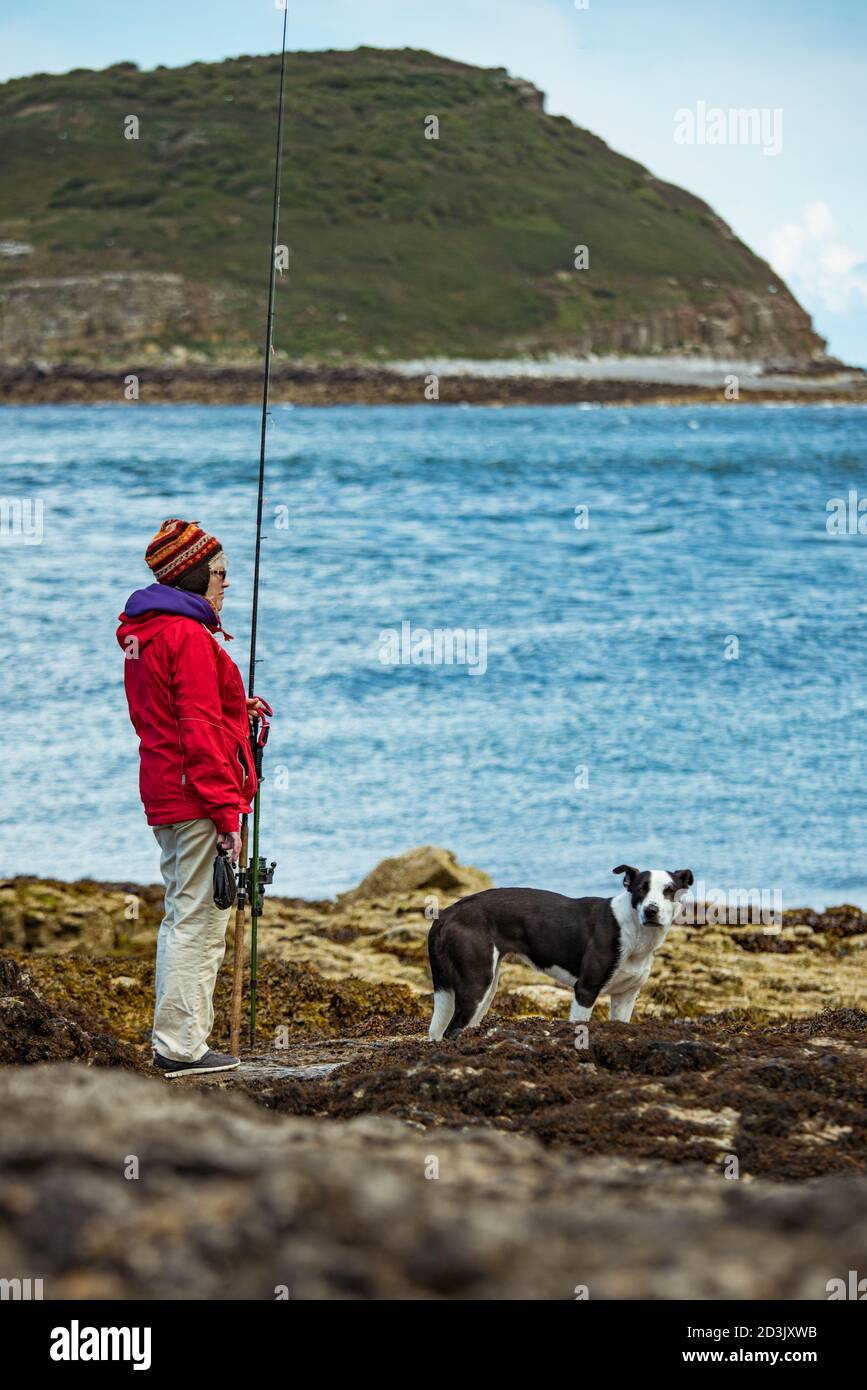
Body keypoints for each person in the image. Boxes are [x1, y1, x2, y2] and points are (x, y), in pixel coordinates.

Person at [116, 519, 267, 1079]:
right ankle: (180, 1048)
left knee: (184, 912)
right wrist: (227, 814)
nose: (226, 583)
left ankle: (178, 1042)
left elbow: (171, 714)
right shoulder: (187, 636)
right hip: (196, 798)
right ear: (196, 573)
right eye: (221, 573)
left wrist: (236, 709)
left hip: (165, 791)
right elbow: (199, 732)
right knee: (200, 920)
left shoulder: (148, 632)